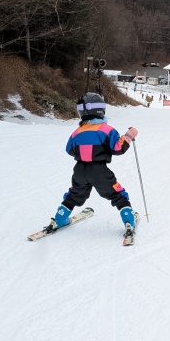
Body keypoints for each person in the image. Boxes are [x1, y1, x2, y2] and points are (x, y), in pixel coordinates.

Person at [46, 92, 138, 234]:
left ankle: (59, 218)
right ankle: (128, 220)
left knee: (74, 194)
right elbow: (118, 148)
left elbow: (69, 149)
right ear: (101, 110)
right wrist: (129, 136)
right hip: (99, 171)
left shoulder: (77, 132)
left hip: (80, 170)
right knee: (117, 194)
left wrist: (84, 151)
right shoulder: (107, 130)